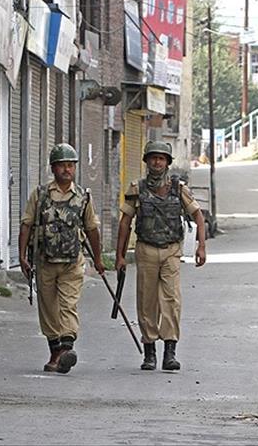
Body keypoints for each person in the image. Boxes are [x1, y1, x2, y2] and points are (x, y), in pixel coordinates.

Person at [115, 141, 206, 371]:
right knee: (147, 301)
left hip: (171, 250)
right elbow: (125, 223)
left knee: (171, 300)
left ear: (167, 162)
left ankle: (170, 352)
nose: (157, 162)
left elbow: (198, 215)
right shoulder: (137, 188)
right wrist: (120, 256)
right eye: (153, 158)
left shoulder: (178, 188)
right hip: (146, 250)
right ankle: (150, 353)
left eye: (161, 158)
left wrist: (201, 246)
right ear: (147, 161)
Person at [18, 143, 104, 374]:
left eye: (70, 165)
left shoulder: (83, 197)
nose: (67, 169)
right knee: (48, 309)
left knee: (68, 305)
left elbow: (92, 229)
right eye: (62, 165)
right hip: (44, 261)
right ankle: (55, 352)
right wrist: (22, 256)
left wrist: (98, 259)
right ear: (53, 168)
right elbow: (26, 225)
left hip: (72, 262)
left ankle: (66, 349)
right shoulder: (40, 195)